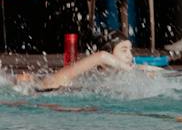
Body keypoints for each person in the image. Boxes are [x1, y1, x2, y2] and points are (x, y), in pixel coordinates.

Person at [15, 40, 154, 91]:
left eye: (130, 50)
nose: (130, 56)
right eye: (124, 50)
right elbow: (101, 56)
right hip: (45, 89)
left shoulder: (103, 78)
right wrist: (131, 68)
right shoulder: (101, 58)